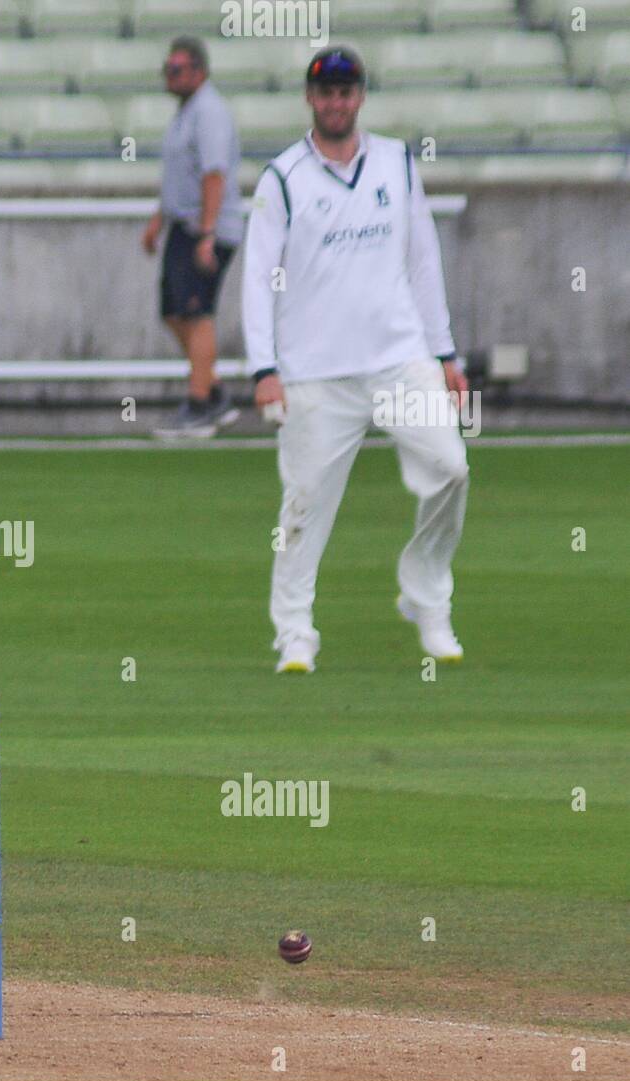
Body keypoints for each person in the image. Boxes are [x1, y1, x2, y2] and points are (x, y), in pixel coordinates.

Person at [242, 47, 471, 674]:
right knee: (305, 504)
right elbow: (258, 277)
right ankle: (294, 632)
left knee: (451, 468)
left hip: (399, 359)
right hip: (315, 371)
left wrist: (444, 351)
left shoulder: (396, 162)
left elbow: (423, 259)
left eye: (346, 92)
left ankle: (426, 597)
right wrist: (263, 369)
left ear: (360, 97)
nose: (336, 102)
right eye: (326, 92)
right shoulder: (283, 178)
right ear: (310, 99)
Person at [145, 35, 242, 439]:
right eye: (166, 69)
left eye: (177, 69)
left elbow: (213, 174)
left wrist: (207, 233)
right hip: (185, 226)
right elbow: (180, 178)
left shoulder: (209, 112)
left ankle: (200, 404)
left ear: (199, 71)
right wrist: (158, 220)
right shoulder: (186, 112)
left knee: (196, 312)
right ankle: (214, 390)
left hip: (206, 227)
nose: (169, 76)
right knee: (172, 311)